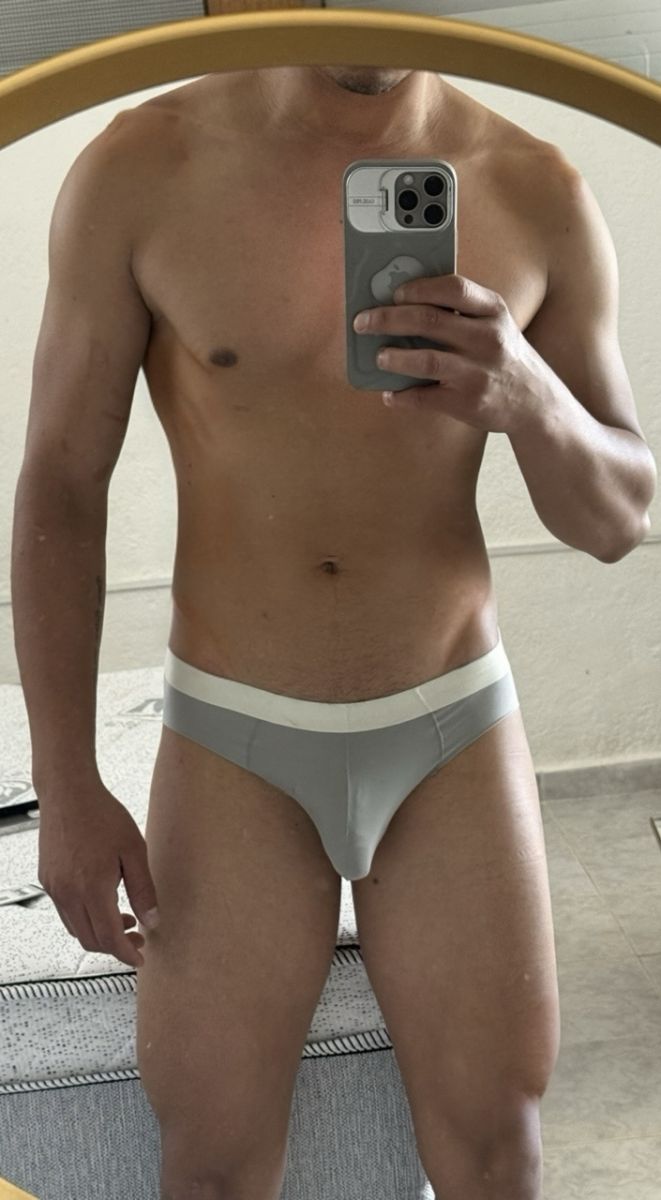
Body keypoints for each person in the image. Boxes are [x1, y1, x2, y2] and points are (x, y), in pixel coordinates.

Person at [11, 63, 656, 1200]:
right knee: (212, 1167)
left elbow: (617, 519)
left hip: (451, 720)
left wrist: (529, 397)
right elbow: (62, 482)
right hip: (232, 734)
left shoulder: (532, 187)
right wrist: (65, 782)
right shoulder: (142, 166)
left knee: (495, 1152)